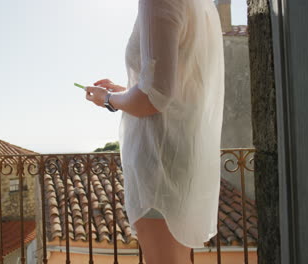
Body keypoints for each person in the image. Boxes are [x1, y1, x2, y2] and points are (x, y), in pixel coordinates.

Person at [85, 0, 225, 263]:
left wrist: (107, 99)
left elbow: (153, 97)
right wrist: (122, 91)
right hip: (180, 159)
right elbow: (174, 86)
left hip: (158, 163)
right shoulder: (200, 6)